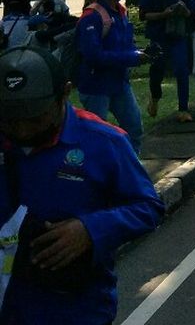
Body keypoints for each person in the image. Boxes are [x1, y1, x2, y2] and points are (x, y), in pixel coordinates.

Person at [0, 45, 164, 324]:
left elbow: (148, 206)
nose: (23, 131)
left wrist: (90, 230)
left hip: (77, 309)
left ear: (64, 93)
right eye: (12, 121)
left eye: (36, 119)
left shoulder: (103, 142)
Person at [76, 0, 146, 155]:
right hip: (96, 86)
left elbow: (124, 45)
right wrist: (131, 57)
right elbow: (93, 56)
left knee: (134, 128)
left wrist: (139, 53)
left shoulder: (120, 12)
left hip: (119, 83)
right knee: (96, 138)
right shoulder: (93, 16)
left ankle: (131, 173)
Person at [139, 0, 194, 123]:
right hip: (159, 36)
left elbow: (191, 13)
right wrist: (164, 14)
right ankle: (155, 98)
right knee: (157, 71)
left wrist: (184, 11)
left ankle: (183, 109)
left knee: (182, 70)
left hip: (178, 36)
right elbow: (143, 15)